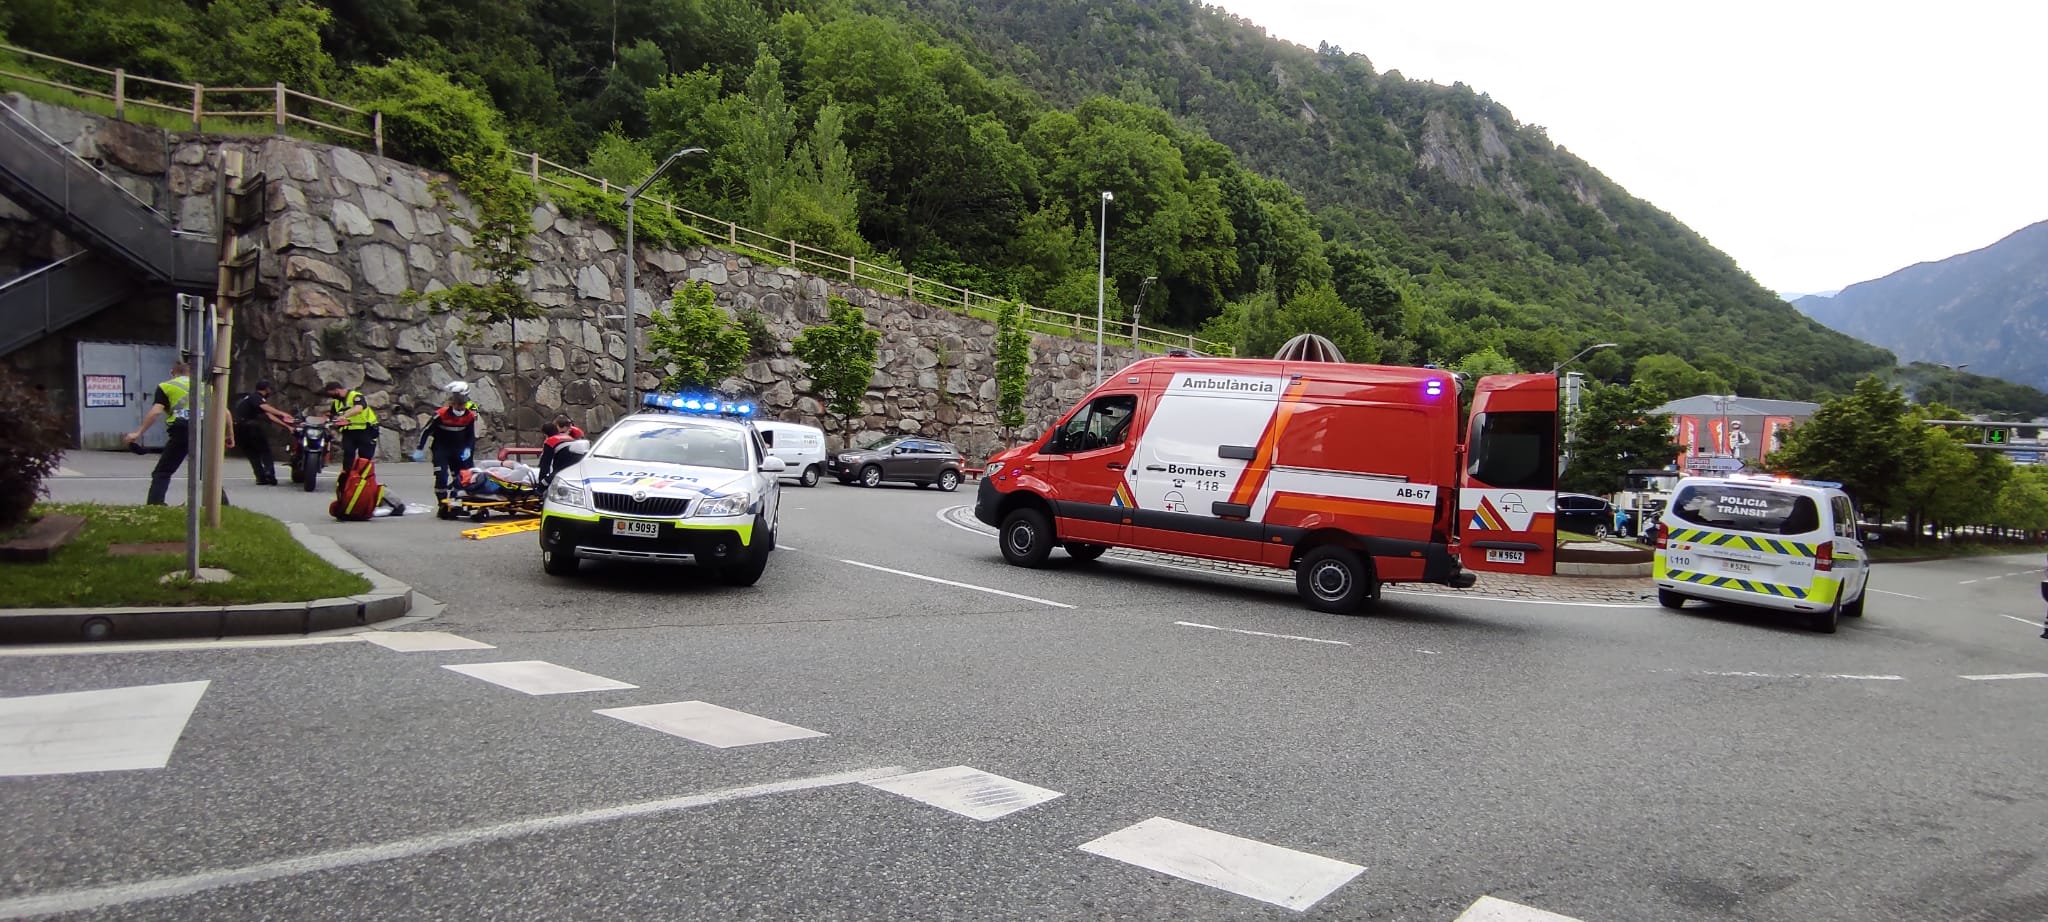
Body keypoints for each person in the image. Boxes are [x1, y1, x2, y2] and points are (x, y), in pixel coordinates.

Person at [418, 382, 481, 508]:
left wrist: (468, 449)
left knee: (461, 477)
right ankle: (442, 504)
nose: (460, 408)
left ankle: (454, 500)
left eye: (462, 405)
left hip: (459, 449)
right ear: (452, 404)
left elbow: (470, 436)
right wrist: (420, 448)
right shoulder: (440, 415)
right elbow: (426, 431)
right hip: (441, 449)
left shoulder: (469, 416)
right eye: (457, 405)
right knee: (441, 476)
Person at [233, 380, 295, 486]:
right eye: (270, 389)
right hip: (250, 427)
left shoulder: (247, 400)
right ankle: (269, 474)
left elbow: (269, 416)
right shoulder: (255, 397)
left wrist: (287, 426)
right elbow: (265, 408)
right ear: (266, 389)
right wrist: (282, 413)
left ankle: (261, 477)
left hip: (239, 428)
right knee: (265, 451)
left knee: (252, 454)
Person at [324, 380, 380, 471]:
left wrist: (344, 416)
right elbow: (333, 415)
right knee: (348, 453)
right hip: (349, 431)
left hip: (365, 429)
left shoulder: (356, 396)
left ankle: (363, 478)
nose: (332, 396)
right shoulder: (336, 402)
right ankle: (347, 478)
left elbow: (358, 409)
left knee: (365, 457)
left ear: (337, 390)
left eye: (332, 393)